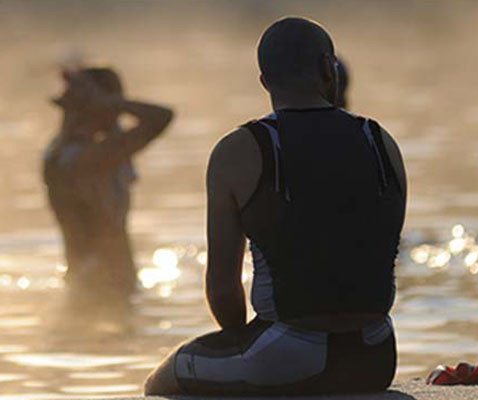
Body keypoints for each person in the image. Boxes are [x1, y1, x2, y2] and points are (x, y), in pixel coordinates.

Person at [144, 17, 407, 396]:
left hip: (286, 354)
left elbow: (222, 289)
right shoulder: (381, 141)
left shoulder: (238, 149)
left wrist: (238, 343)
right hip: (376, 354)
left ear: (264, 81)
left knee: (161, 381)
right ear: (328, 69)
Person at [44, 67, 174, 294]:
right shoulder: (85, 158)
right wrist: (113, 103)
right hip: (104, 285)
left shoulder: (66, 152)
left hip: (92, 282)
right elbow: (162, 117)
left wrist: (102, 105)